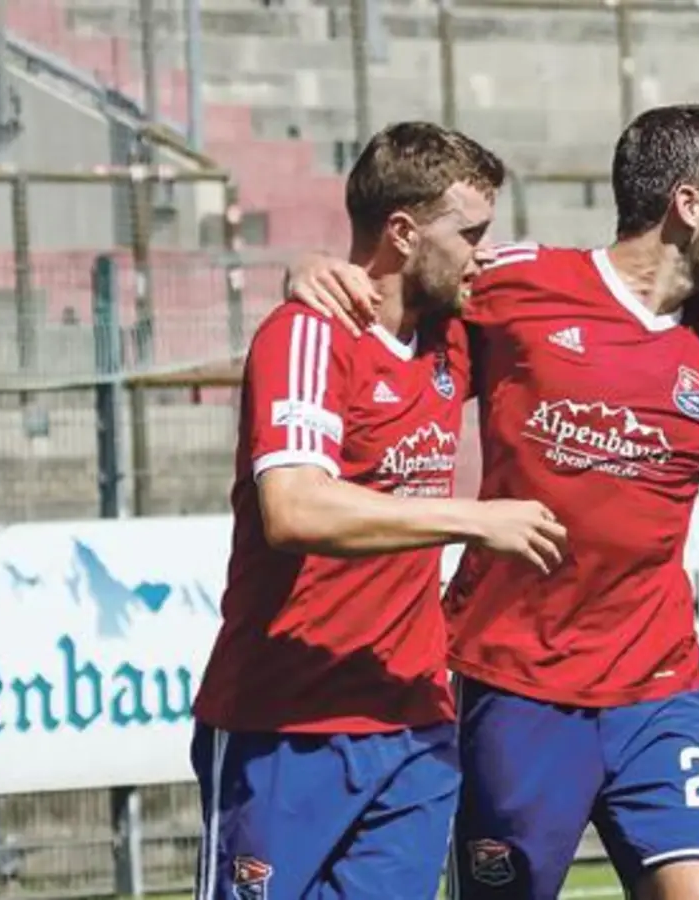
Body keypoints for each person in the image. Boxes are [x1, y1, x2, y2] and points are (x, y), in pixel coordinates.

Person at [287, 104, 699, 900]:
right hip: (511, 688)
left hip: (659, 688)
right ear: (689, 204)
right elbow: (400, 289)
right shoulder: (520, 285)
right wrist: (308, 270)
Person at [188, 121, 569, 900]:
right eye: (470, 234)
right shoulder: (308, 334)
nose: (483, 254)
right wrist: (474, 518)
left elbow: (595, 293)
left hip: (413, 722)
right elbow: (292, 508)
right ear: (402, 232)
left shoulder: (454, 337)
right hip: (287, 722)